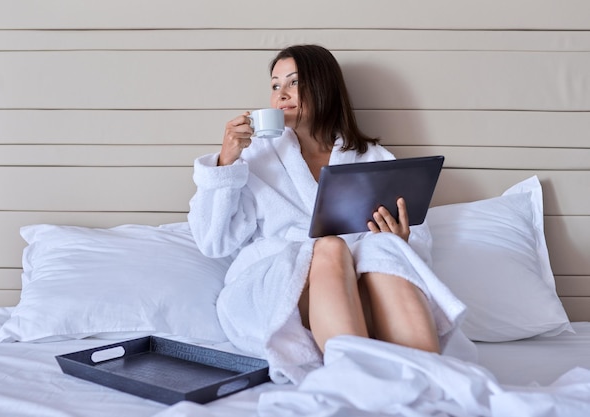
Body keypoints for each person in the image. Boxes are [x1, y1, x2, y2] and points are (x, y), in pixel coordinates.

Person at [188, 44, 466, 383]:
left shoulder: (371, 157)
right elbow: (212, 241)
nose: (282, 94)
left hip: (358, 288)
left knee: (384, 249)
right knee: (330, 245)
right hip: (277, 290)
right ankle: (352, 381)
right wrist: (226, 162)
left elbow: (414, 238)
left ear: (323, 86)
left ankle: (431, 381)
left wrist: (401, 239)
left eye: (293, 82)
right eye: (275, 85)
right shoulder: (254, 157)